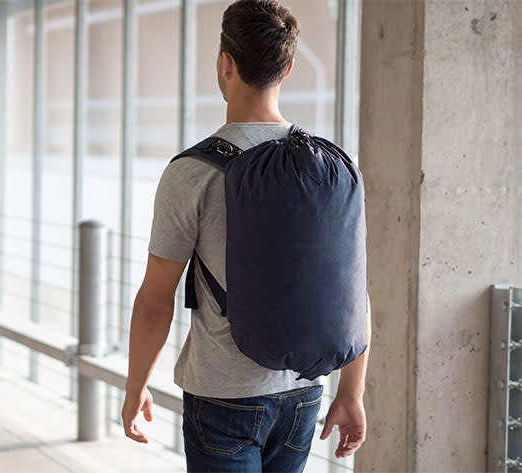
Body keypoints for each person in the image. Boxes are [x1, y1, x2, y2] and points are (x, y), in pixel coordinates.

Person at [121, 0, 371, 471]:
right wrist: (352, 392)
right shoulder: (331, 167)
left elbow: (157, 298)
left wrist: (137, 387)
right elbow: (352, 289)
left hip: (223, 398)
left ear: (225, 63)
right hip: (304, 393)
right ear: (288, 67)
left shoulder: (193, 172)